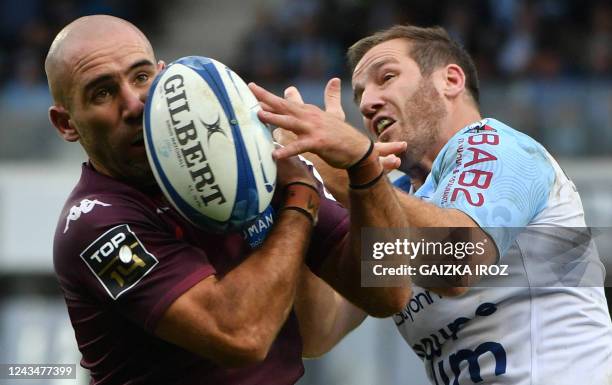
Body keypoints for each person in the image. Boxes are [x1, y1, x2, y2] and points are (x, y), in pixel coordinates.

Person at [46, 15, 412, 384]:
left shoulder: (249, 157)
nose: (134, 105)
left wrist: (362, 166)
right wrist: (301, 199)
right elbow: (241, 336)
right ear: (67, 124)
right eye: (103, 93)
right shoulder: (95, 223)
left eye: (141, 78)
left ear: (164, 76)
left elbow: (389, 290)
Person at [251, 25, 612, 385]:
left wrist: (345, 173)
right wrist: (305, 192)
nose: (366, 102)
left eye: (386, 77)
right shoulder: (390, 199)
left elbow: (458, 260)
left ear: (451, 80)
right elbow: (320, 332)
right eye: (359, 93)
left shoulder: (501, 146)